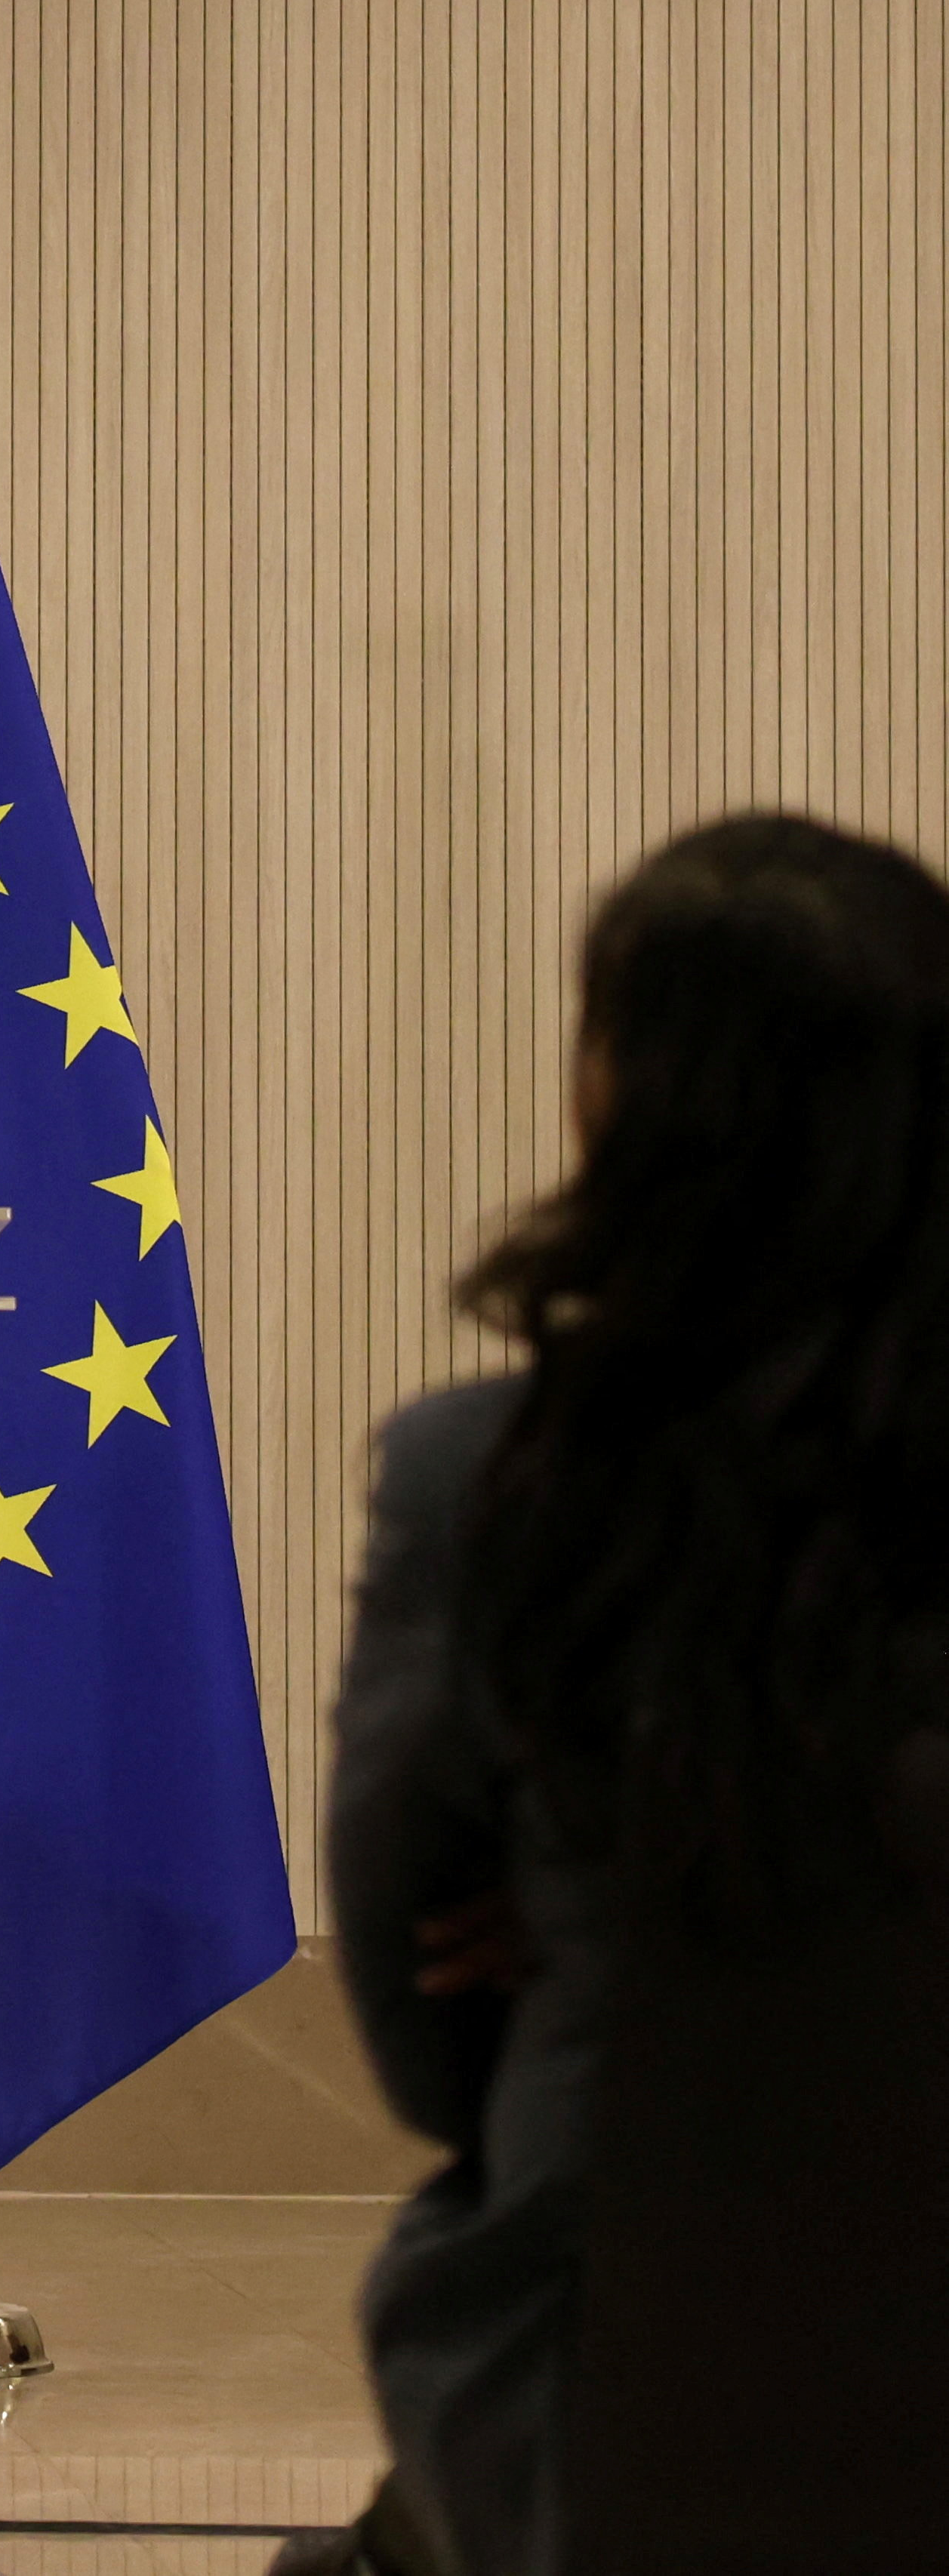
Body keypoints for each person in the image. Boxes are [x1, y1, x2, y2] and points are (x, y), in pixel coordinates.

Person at [311, 814, 949, 2576]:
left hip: (618, 2358)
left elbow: (415, 2017)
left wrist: (617, 1920)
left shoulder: (491, 1480)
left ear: (630, 1100)